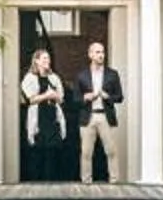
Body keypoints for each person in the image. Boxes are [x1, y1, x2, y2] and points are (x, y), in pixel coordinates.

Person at [72, 39, 126, 183]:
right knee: (86, 152)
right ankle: (86, 181)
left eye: (102, 52)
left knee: (111, 151)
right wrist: (86, 97)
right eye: (97, 52)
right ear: (90, 55)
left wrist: (107, 96)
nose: (101, 55)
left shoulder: (112, 74)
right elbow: (75, 99)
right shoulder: (81, 75)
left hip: (106, 116)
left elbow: (120, 97)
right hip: (87, 117)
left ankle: (114, 181)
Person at [18, 47, 74, 181]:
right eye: (44, 58)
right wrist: (46, 95)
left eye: (48, 58)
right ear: (36, 61)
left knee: (53, 153)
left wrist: (54, 96)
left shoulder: (54, 78)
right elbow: (30, 100)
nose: (47, 61)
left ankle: (52, 183)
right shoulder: (29, 78)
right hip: (38, 119)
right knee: (38, 152)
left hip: (52, 118)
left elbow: (61, 98)